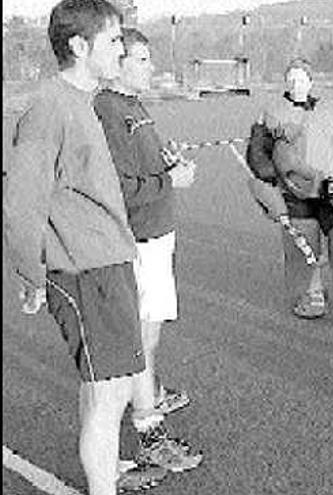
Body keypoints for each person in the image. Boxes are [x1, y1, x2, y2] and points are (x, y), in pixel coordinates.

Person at [3, 1, 167, 492]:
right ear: (79, 46)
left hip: (107, 265)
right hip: (84, 272)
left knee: (106, 388)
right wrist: (31, 275)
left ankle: (106, 472)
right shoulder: (49, 108)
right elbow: (20, 204)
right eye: (114, 40)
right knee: (106, 393)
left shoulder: (85, 101)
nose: (123, 47)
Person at [93, 26, 204, 476]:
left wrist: (168, 162)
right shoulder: (106, 109)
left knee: (149, 335)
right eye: (141, 60)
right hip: (135, 240)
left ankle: (149, 395)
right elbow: (116, 187)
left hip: (157, 235)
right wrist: (168, 181)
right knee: (137, 340)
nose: (151, 67)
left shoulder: (134, 106)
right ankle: (149, 431)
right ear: (117, 60)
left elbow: (141, 166)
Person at [247, 57, 333, 318]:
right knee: (302, 243)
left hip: (332, 187)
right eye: (291, 79)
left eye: (301, 78)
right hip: (294, 191)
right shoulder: (271, 113)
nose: (296, 83)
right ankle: (308, 295)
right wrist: (271, 182)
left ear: (311, 81)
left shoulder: (330, 110)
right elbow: (257, 153)